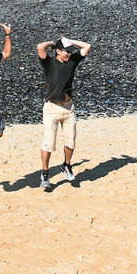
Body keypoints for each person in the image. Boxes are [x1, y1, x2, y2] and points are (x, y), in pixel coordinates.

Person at [36, 37, 93, 188]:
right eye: (66, 51)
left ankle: (66, 165)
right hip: (52, 109)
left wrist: (71, 42)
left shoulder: (72, 61)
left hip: (68, 108)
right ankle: (45, 173)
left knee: (71, 140)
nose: (69, 54)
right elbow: (40, 46)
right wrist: (53, 44)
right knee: (49, 143)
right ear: (58, 51)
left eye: (70, 51)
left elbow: (87, 46)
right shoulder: (49, 63)